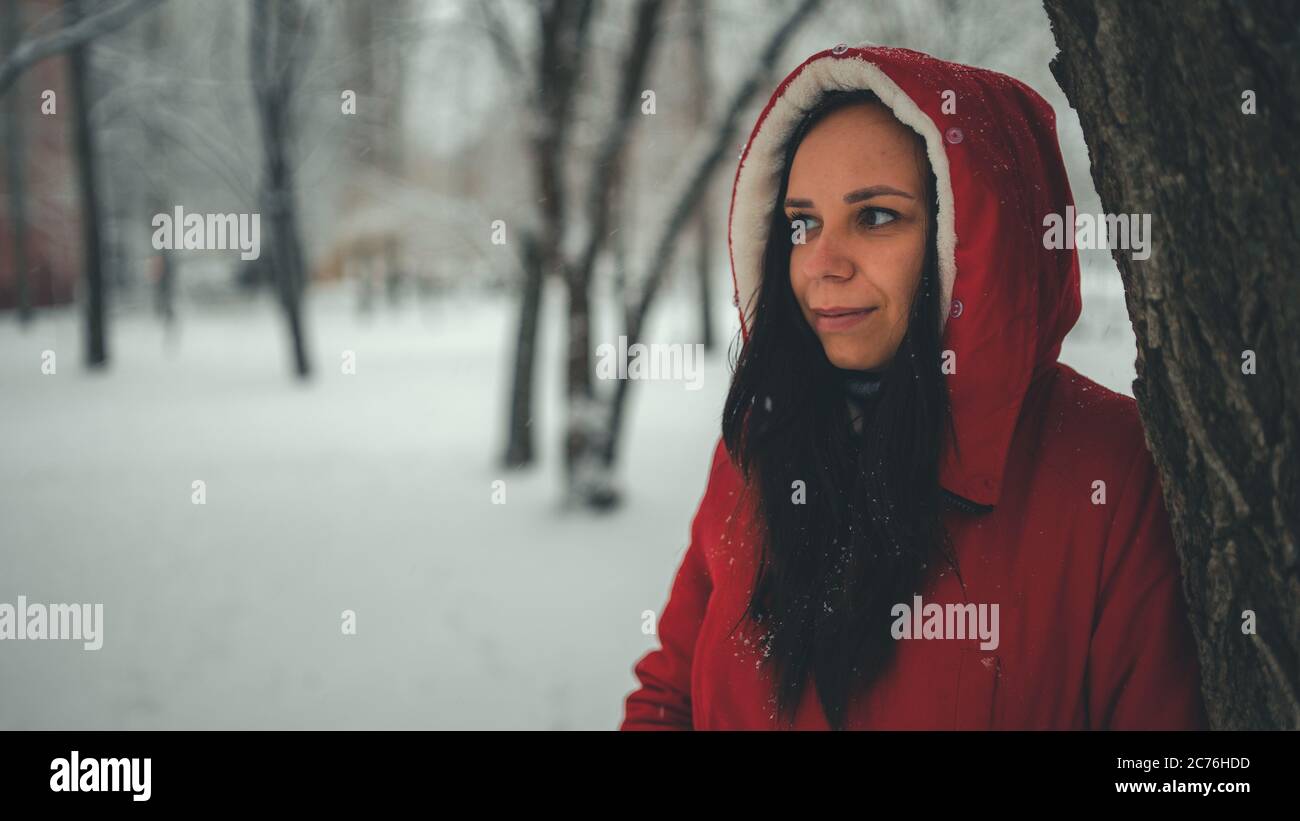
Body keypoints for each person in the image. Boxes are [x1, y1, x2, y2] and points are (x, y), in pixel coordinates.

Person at [620, 43, 1208, 730]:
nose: (821, 264)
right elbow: (669, 695)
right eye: (801, 224)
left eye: (875, 216)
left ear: (978, 238)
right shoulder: (759, 440)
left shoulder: (1108, 468)